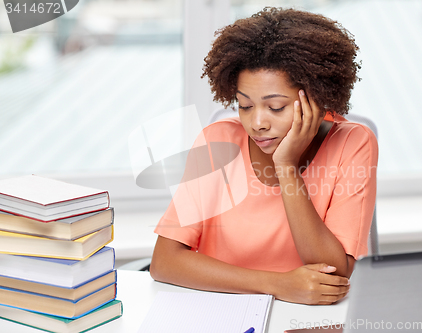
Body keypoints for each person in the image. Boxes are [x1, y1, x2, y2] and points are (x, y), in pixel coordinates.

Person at [150, 6, 378, 305]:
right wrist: (278, 284)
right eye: (245, 105)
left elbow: (333, 273)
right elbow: (164, 262)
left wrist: (286, 166)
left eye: (276, 107)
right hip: (221, 309)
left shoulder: (352, 142)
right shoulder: (218, 139)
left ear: (316, 97)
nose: (257, 122)